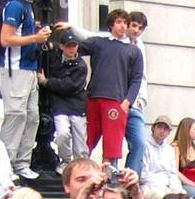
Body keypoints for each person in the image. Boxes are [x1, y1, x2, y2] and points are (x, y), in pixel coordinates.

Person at [52, 12, 144, 170]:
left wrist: (127, 102)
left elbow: (137, 79)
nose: (122, 26)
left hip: (116, 101)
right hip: (93, 98)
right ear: (111, 25)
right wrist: (63, 34)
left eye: (125, 23)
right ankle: (80, 171)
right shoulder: (99, 43)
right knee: (86, 141)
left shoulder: (134, 51)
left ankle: (108, 179)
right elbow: (74, 47)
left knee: (112, 146)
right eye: (118, 22)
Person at [0, 0, 52, 180]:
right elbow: (5, 39)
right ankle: (4, 164)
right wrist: (36, 38)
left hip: (28, 69)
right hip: (15, 68)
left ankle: (21, 163)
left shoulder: (28, 6)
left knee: (32, 117)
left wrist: (37, 34)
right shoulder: (15, 6)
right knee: (16, 115)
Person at [39, 31, 89, 165]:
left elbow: (70, 86)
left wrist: (47, 82)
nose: (72, 49)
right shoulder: (54, 58)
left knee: (80, 144)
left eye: (74, 46)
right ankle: (66, 161)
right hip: (59, 106)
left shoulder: (81, 66)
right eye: (69, 46)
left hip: (78, 107)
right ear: (62, 46)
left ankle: (81, 166)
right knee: (62, 134)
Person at [123, 12, 150, 174]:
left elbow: (142, 75)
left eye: (140, 28)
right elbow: (92, 36)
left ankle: (129, 178)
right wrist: (73, 29)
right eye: (134, 25)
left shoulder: (140, 45)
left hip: (135, 104)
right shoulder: (117, 40)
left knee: (139, 143)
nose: (136, 30)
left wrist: (142, 100)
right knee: (113, 145)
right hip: (118, 100)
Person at [139, 116, 184, 199]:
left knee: (183, 197)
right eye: (159, 127)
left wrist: (177, 189)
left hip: (166, 186)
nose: (162, 131)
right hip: (148, 186)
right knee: (161, 196)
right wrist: (163, 185)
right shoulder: (144, 146)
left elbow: (172, 173)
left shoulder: (169, 150)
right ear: (153, 128)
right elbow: (143, 176)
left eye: (165, 129)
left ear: (169, 132)